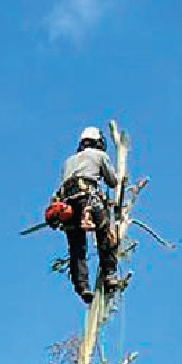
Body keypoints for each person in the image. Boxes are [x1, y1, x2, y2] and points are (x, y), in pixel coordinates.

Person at [53, 126, 121, 304]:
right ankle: (109, 274)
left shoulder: (68, 161)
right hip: (87, 199)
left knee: (77, 249)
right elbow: (112, 182)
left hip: (67, 206)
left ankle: (82, 286)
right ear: (98, 142)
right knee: (105, 235)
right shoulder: (99, 155)